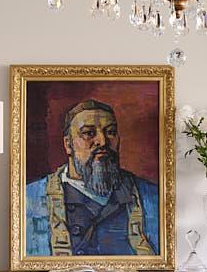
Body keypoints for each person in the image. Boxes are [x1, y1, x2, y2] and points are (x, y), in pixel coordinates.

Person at [25, 99, 159, 257]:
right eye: (89, 133)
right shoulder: (30, 199)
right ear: (68, 145)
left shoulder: (150, 197)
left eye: (110, 132)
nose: (102, 141)